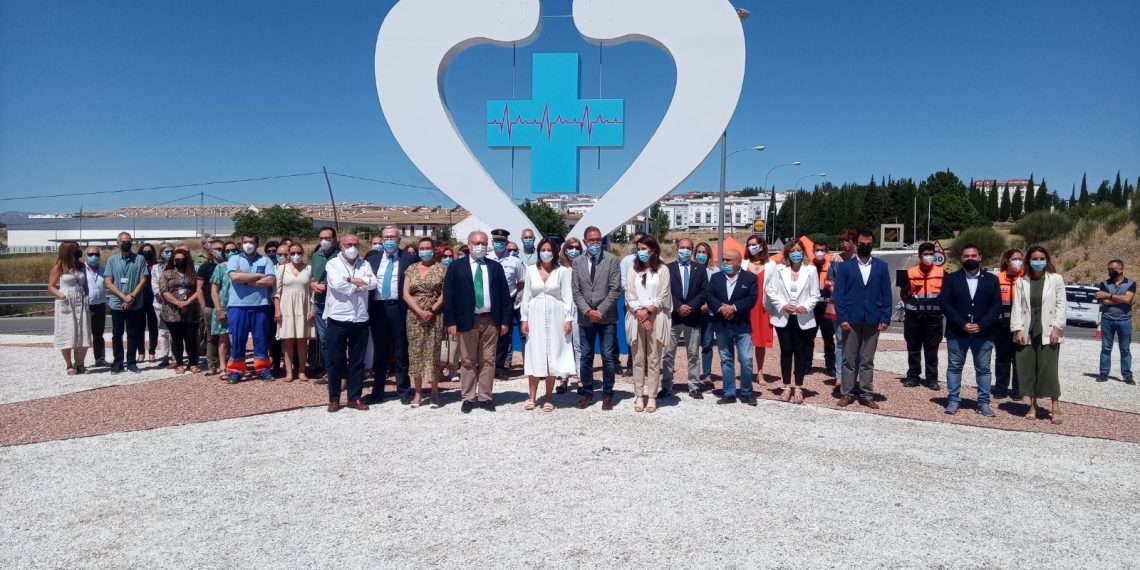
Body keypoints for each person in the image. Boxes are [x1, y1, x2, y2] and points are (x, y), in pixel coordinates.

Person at [443, 231, 512, 413]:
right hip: (467, 320)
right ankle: (468, 397)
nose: (479, 246)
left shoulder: (495, 267)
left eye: (483, 243)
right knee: (467, 360)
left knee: (488, 360)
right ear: (469, 244)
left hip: (490, 319)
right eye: (476, 243)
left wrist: (505, 321)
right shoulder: (456, 267)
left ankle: (485, 397)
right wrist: (450, 321)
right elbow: (448, 296)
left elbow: (505, 295)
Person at [938, 244, 1001, 417]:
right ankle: (953, 400)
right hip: (957, 332)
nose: (970, 259)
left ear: (980, 257)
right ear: (961, 258)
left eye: (973, 255)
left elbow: (996, 305)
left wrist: (982, 324)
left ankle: (983, 402)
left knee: (983, 369)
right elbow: (944, 303)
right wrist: (962, 323)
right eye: (966, 256)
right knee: (954, 367)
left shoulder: (992, 279)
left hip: (983, 333)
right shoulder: (951, 279)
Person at [833, 229, 891, 409]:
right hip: (851, 319)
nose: (865, 246)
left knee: (867, 360)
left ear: (873, 245)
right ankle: (846, 393)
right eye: (862, 243)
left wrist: (886, 317)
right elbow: (839, 295)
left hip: (873, 318)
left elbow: (886, 294)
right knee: (848, 359)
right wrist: (842, 317)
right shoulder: (845, 267)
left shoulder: (881, 266)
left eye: (868, 244)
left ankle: (866, 394)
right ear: (856, 244)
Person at [1011, 246, 1067, 424]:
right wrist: (1017, 329)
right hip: (1027, 329)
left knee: (1048, 368)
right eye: (1035, 258)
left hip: (1048, 328)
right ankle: (1033, 405)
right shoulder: (1021, 281)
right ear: (1029, 260)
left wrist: (1057, 328)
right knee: (1027, 368)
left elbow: (1061, 305)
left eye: (1042, 258)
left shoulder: (1055, 279)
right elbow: (1017, 307)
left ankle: (1055, 405)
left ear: (1047, 260)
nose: (1038, 261)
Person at [323, 233, 377, 412]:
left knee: (358, 361)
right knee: (335, 360)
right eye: (348, 244)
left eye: (355, 244)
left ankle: (354, 397)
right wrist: (358, 286)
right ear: (341, 246)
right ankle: (334, 399)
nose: (352, 248)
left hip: (360, 317)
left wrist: (350, 281)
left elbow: (373, 283)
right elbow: (336, 284)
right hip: (338, 317)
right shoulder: (333, 264)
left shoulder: (365, 264)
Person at [520, 238, 576, 411]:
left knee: (553, 355)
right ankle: (532, 397)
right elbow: (526, 296)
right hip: (535, 315)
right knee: (535, 354)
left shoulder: (562, 271)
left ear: (555, 252)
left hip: (556, 315)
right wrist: (524, 318)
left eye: (549, 249)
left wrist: (568, 319)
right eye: (543, 249)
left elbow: (567, 296)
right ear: (538, 251)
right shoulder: (530, 270)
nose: (546, 253)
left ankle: (549, 397)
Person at [571, 226, 623, 410]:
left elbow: (615, 288)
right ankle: (587, 393)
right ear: (585, 242)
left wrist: (600, 311)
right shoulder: (577, 262)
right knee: (586, 356)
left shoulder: (612, 260)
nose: (595, 243)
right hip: (585, 318)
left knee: (608, 357)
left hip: (606, 316)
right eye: (591, 240)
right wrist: (588, 311)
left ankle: (608, 394)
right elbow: (575, 291)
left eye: (598, 240)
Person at [364, 226, 417, 404]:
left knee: (401, 351)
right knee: (380, 352)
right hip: (378, 309)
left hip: (398, 308)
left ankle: (404, 391)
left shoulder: (409, 259)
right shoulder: (372, 260)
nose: (389, 240)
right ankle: (377, 392)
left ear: (399, 239)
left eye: (392, 237)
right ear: (381, 239)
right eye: (386, 237)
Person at [766, 239, 821, 404]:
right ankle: (786, 386)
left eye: (798, 250)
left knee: (801, 352)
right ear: (787, 253)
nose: (795, 253)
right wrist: (782, 305)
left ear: (803, 252)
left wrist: (807, 306)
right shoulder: (779, 269)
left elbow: (815, 294)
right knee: (786, 351)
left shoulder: (810, 270)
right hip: (784, 316)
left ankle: (798, 387)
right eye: (792, 251)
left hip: (802, 316)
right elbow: (770, 290)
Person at [623, 237, 672, 412]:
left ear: (653, 250)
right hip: (636, 316)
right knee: (637, 358)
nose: (640, 252)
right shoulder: (633, 270)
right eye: (639, 248)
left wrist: (648, 312)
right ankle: (638, 395)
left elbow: (663, 294)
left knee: (653, 358)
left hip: (655, 315)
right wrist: (639, 312)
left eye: (644, 248)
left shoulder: (663, 270)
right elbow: (629, 293)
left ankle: (651, 396)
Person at [708, 249, 759, 405]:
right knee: (726, 360)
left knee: (746, 359)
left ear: (738, 262)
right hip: (722, 325)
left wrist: (734, 308)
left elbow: (752, 298)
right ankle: (729, 393)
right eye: (723, 259)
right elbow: (709, 296)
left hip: (742, 325)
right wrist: (722, 309)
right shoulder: (716, 278)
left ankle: (746, 392)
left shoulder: (750, 278)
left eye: (728, 260)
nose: (725, 262)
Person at [225, 233, 277, 383]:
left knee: (261, 339)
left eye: (252, 242)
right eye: (246, 242)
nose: (248, 245)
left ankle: (262, 369)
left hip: (261, 305)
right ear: (241, 244)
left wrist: (246, 280)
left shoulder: (265, 260)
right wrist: (259, 275)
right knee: (237, 339)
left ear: (257, 244)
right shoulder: (234, 259)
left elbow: (270, 280)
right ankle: (236, 370)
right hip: (237, 306)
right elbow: (235, 277)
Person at [403, 237, 446, 408]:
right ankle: (418, 393)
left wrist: (432, 310)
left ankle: (434, 393)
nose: (424, 251)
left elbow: (445, 293)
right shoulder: (411, 268)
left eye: (428, 248)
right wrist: (419, 311)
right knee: (416, 353)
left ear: (434, 250)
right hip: (414, 316)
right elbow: (406, 294)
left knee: (433, 353)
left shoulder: (442, 269)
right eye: (421, 248)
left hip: (435, 315)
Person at [663, 237, 707, 399]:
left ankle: (694, 386)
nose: (685, 251)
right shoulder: (668, 268)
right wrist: (678, 306)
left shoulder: (700, 269)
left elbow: (704, 291)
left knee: (693, 355)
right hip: (673, 318)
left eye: (688, 248)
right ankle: (666, 386)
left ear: (692, 251)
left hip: (693, 318)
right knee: (668, 354)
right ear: (677, 249)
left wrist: (690, 307)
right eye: (682, 248)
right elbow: (665, 291)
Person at [899, 242, 945, 390]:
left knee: (932, 350)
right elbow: (903, 294)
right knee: (913, 349)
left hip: (934, 318)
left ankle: (932, 379)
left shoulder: (942, 273)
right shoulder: (910, 273)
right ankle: (913, 377)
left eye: (931, 254)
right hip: (914, 318)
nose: (929, 257)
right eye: (926, 254)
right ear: (920, 256)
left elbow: (947, 295)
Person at [104, 232, 148, 373]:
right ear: (118, 243)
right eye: (123, 241)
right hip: (117, 303)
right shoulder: (112, 260)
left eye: (128, 241)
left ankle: (131, 362)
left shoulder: (140, 259)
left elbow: (143, 280)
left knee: (132, 333)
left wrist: (132, 297)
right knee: (117, 334)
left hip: (134, 303)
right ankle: (118, 362)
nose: (126, 243)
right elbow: (108, 282)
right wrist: (124, 297)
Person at [274, 242, 315, 382]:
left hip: (304, 307)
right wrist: (277, 310)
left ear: (303, 253)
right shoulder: (282, 269)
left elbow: (313, 292)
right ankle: (289, 372)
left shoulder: (309, 269)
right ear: (289, 254)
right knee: (288, 341)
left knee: (303, 341)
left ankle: (302, 371)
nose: (296, 255)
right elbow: (276, 292)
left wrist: (312, 309)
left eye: (298, 253)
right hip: (286, 307)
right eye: (292, 253)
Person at [488, 228, 526, 380]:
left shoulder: (514, 261)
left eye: (502, 241)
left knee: (504, 335)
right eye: (496, 241)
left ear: (506, 242)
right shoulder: (486, 258)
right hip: (489, 302)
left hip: (507, 302)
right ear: (492, 242)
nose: (499, 243)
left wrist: (513, 298)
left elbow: (521, 282)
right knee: (488, 334)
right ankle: (486, 366)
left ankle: (500, 367)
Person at [49, 241, 91, 374]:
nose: (78, 251)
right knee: (67, 332)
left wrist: (87, 296)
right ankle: (69, 365)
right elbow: (50, 286)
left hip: (81, 299)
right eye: (75, 249)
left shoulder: (81, 266)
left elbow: (85, 284)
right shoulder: (59, 267)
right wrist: (61, 296)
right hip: (66, 300)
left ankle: (80, 363)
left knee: (83, 332)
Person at [159, 248, 202, 374]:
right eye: (177, 259)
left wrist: (187, 302)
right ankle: (179, 363)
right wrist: (178, 303)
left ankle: (193, 363)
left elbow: (199, 290)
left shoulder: (194, 274)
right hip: (172, 311)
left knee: (191, 338)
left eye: (182, 259)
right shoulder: (166, 274)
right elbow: (164, 291)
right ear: (173, 261)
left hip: (191, 310)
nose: (179, 261)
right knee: (176, 338)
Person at [1096, 259, 1135, 384]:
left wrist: (1110, 296)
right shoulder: (1104, 284)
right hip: (1107, 320)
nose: (1110, 271)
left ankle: (1127, 375)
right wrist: (1123, 300)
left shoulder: (1131, 283)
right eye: (1109, 269)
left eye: (1113, 269)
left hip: (1125, 320)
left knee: (1125, 349)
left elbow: (1127, 299)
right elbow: (1104, 302)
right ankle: (1103, 373)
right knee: (1106, 348)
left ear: (1121, 269)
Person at [993, 249, 1024, 399]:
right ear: (1007, 260)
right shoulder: (997, 278)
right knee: (1002, 358)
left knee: (1019, 359)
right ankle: (1001, 388)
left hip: (1021, 327)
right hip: (1001, 326)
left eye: (1020, 259)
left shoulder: (1026, 278)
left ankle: (1018, 390)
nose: (1018, 261)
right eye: (1014, 259)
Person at [555, 237, 585, 395]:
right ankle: (563, 378)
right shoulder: (558, 269)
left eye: (577, 247)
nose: (574, 250)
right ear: (565, 249)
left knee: (578, 345)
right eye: (571, 247)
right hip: (561, 311)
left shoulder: (583, 267)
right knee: (564, 344)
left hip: (578, 310)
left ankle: (580, 378)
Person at [309, 227, 338, 384]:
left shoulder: (339, 256)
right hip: (320, 303)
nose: (324, 241)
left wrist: (326, 286)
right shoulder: (316, 256)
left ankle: (340, 372)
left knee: (337, 340)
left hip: (335, 304)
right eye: (321, 238)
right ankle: (329, 371)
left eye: (327, 238)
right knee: (325, 339)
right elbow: (313, 277)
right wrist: (312, 284)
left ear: (334, 239)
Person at [744, 235, 775, 379]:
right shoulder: (743, 264)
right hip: (746, 306)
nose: (751, 247)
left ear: (762, 245)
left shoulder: (771, 265)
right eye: (749, 245)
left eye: (754, 244)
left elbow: (775, 286)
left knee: (760, 341)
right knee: (745, 340)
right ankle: (746, 370)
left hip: (763, 307)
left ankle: (760, 372)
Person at [830, 229, 858, 383]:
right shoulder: (835, 259)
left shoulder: (860, 259)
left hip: (856, 304)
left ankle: (853, 375)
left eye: (847, 241)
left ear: (854, 242)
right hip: (838, 304)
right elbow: (829, 279)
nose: (844, 244)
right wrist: (836, 293)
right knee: (840, 340)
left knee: (856, 341)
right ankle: (839, 376)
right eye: (841, 241)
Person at [617, 231, 646, 377]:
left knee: (649, 336)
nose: (637, 245)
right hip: (631, 305)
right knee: (632, 334)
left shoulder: (657, 260)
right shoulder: (627, 261)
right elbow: (623, 283)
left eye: (640, 242)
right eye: (635, 243)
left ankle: (647, 365)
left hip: (650, 307)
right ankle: (631, 364)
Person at [211, 242, 238, 380]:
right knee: (223, 337)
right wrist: (219, 309)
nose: (230, 253)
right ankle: (222, 366)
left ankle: (235, 365)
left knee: (238, 337)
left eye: (233, 250)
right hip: (224, 306)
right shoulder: (220, 267)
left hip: (239, 306)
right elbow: (214, 290)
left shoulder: (242, 266)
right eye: (227, 251)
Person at [810, 241, 837, 381]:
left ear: (826, 252)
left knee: (829, 338)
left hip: (826, 305)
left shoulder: (831, 266)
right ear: (813, 251)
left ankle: (831, 367)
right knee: (809, 337)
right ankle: (807, 365)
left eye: (822, 250)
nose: (819, 252)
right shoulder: (808, 266)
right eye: (817, 250)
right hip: (812, 306)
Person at [196, 239, 224, 375]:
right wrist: (203, 307)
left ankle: (224, 362)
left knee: (225, 337)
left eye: (222, 249)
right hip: (210, 306)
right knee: (211, 336)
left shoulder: (229, 266)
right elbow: (199, 288)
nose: (220, 251)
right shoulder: (205, 267)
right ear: (211, 251)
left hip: (226, 306)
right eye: (217, 249)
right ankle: (212, 364)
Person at [137, 243, 166, 366]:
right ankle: (141, 352)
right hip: (140, 299)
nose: (146, 253)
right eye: (144, 251)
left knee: (153, 326)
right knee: (140, 327)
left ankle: (152, 351)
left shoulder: (157, 266)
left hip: (154, 300)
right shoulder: (138, 264)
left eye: (149, 251)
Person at [694, 241, 718, 389]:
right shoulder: (691, 270)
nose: (701, 255)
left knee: (707, 344)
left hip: (708, 313)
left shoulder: (714, 272)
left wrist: (708, 305)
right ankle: (694, 374)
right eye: (699, 252)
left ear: (709, 255)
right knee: (692, 346)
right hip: (693, 313)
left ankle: (707, 374)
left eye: (704, 252)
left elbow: (717, 292)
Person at [84, 245, 108, 367]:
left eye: (96, 254)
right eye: (91, 254)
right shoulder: (80, 270)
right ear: (85, 256)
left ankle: (100, 359)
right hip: (85, 306)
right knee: (82, 335)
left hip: (100, 306)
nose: (94, 256)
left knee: (98, 335)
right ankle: (79, 362)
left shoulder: (104, 270)